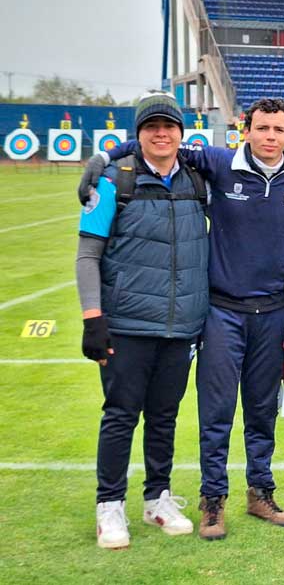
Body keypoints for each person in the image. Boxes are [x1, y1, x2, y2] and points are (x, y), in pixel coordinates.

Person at [83, 98, 284, 539]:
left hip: (273, 310)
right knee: (217, 411)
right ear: (246, 129)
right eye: (261, 127)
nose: (269, 136)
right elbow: (159, 145)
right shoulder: (219, 162)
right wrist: (103, 156)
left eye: (278, 130)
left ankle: (261, 491)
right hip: (222, 310)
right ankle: (213, 500)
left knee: (262, 409)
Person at [77, 91, 207, 548]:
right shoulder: (115, 181)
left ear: (180, 133)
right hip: (128, 324)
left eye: (168, 126)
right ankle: (109, 506)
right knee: (119, 416)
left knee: (165, 416)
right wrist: (93, 318)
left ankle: (157, 498)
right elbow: (88, 253)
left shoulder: (197, 178)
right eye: (151, 126)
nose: (160, 133)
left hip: (181, 324)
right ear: (139, 134)